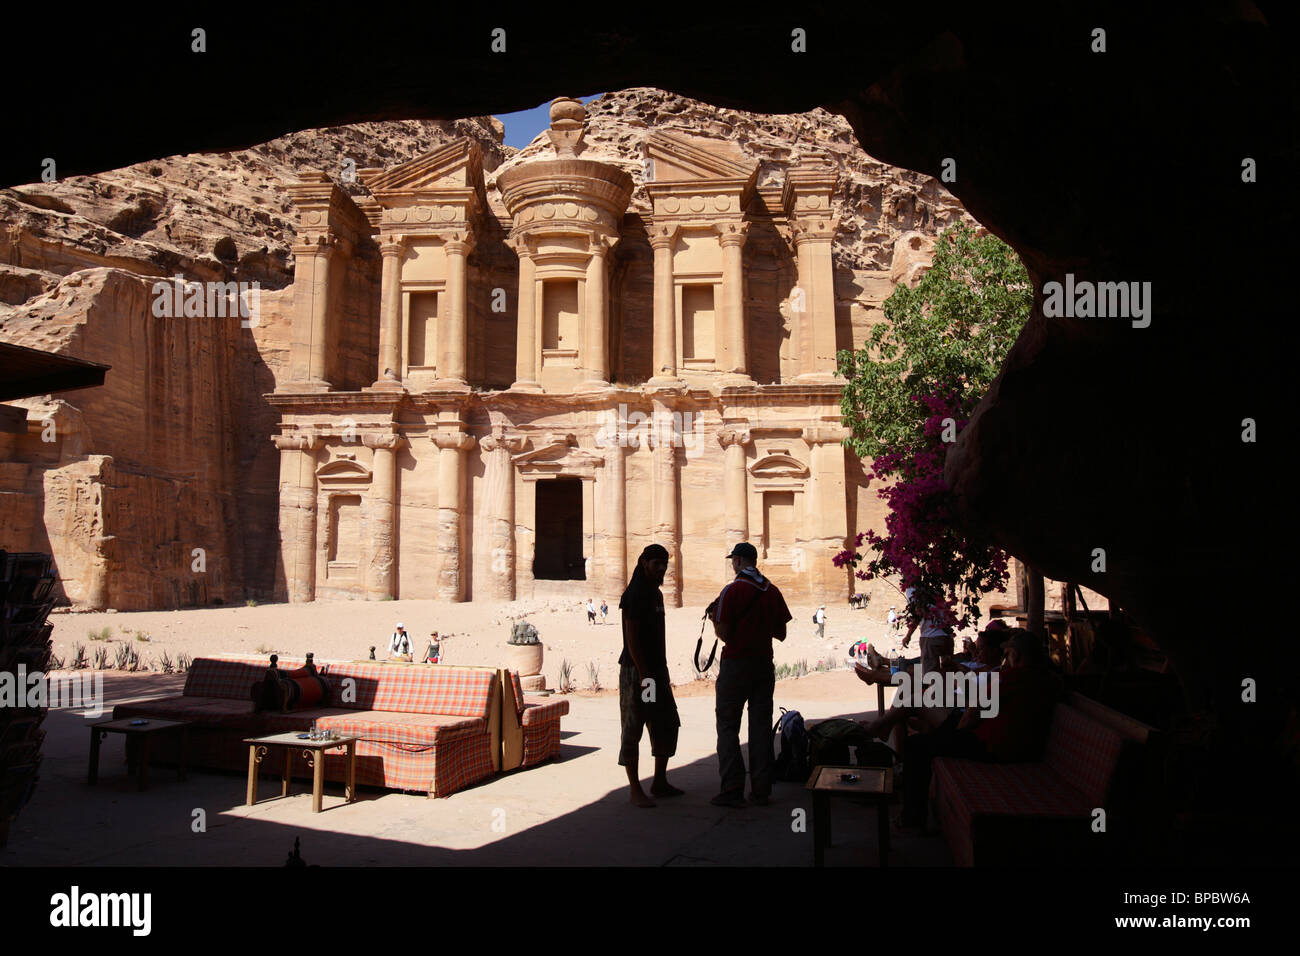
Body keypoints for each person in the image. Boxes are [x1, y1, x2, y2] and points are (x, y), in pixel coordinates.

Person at [895, 628, 1063, 830]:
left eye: (1007, 654)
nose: (1005, 659)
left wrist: (955, 734)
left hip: (993, 747)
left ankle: (912, 820)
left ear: (1015, 655)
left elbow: (973, 713)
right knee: (931, 731)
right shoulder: (1049, 679)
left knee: (917, 745)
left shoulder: (1012, 678)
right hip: (1022, 746)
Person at [708, 541, 792, 808]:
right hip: (763, 665)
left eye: (733, 560)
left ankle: (732, 788)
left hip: (736, 665)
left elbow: (724, 634)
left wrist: (713, 620)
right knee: (760, 727)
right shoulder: (772, 591)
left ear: (738, 561)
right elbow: (782, 633)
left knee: (728, 726)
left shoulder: (732, 591)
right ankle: (761, 789)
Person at [618, 544, 683, 808]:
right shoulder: (635, 594)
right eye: (657, 564)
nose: (662, 569)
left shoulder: (656, 595)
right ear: (643, 563)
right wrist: (646, 675)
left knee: (666, 723)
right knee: (634, 727)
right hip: (639, 674)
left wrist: (659, 672)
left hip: (657, 671)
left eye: (664, 565)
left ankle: (659, 781)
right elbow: (632, 638)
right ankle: (635, 789)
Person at [902, 586, 953, 677]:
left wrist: (908, 636)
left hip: (930, 637)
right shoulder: (934, 588)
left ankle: (934, 691)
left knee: (931, 675)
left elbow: (917, 616)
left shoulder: (912, 591)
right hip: (946, 637)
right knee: (947, 674)